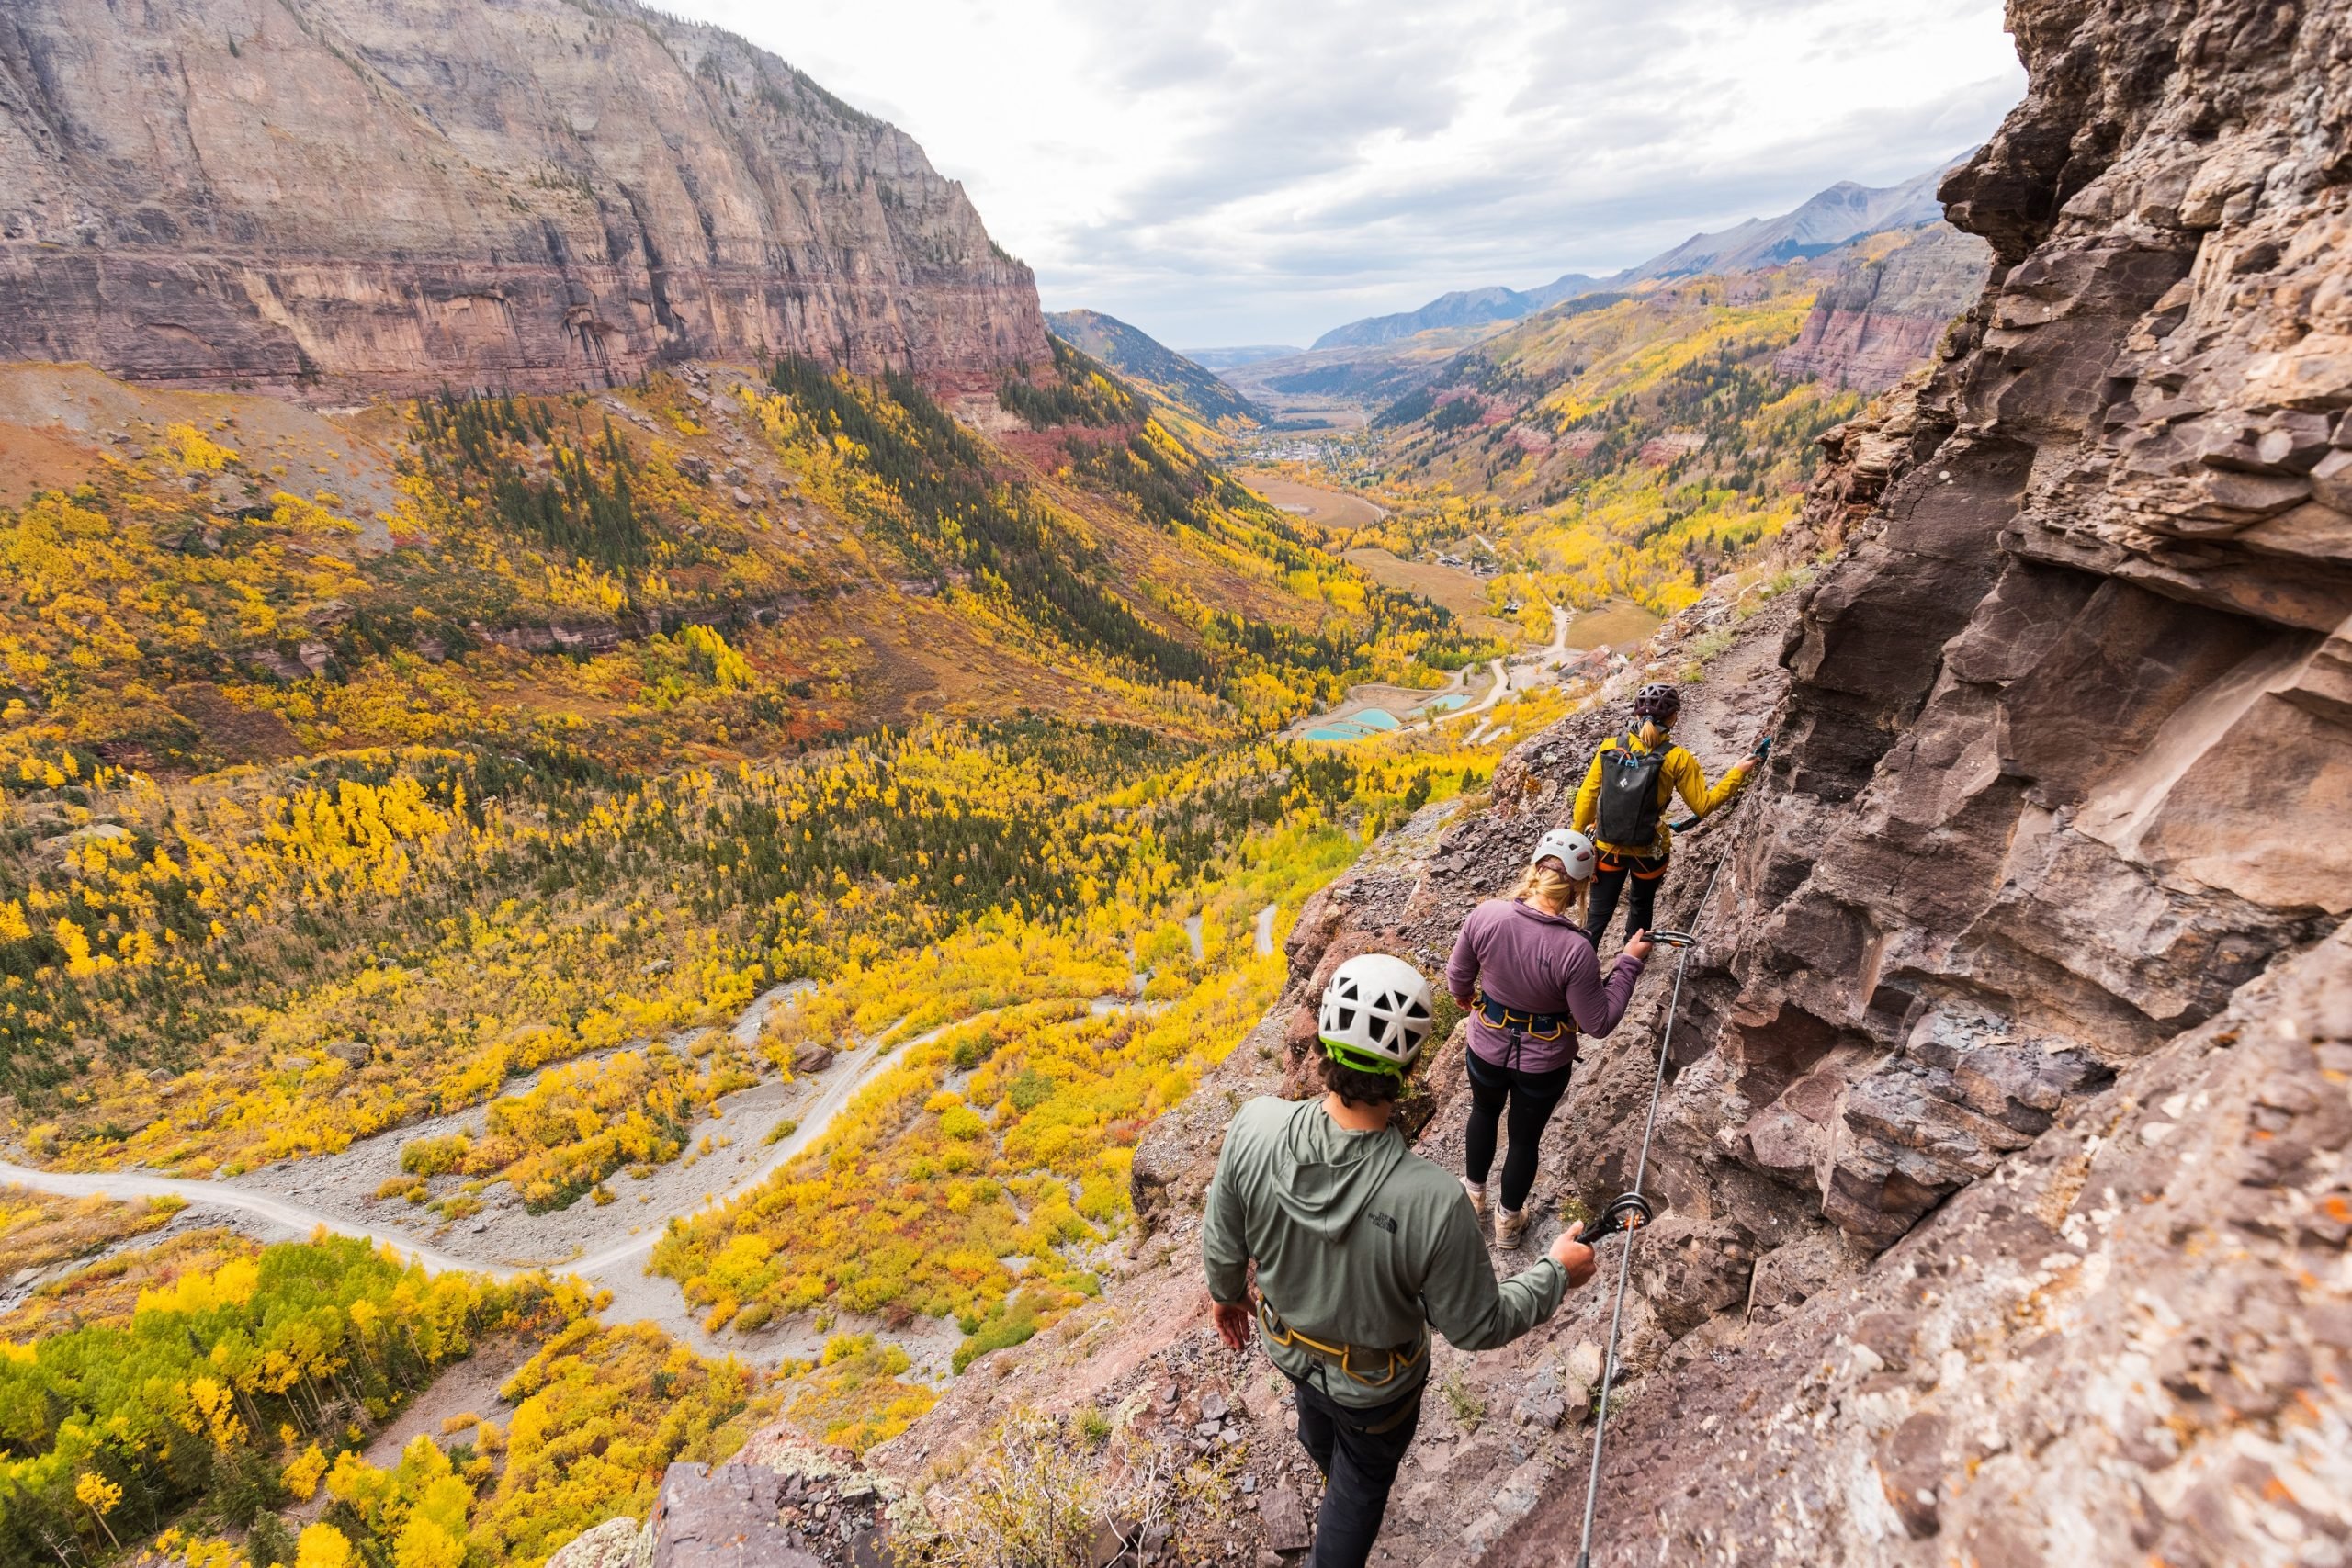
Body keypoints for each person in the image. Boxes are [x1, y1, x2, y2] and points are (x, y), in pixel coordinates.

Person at [1203, 953, 1598, 1568]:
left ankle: (1332, 1469)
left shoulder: (1255, 1125)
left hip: (1288, 1347)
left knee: (1319, 1428)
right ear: (1410, 1069)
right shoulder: (1433, 1202)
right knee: (1359, 1486)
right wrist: (1555, 1273)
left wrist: (1226, 1295)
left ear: (1324, 1045)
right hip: (1376, 1389)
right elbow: (1476, 1325)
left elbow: (1224, 1235)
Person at [1444, 828, 1649, 1247]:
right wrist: (1627, 964)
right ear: (1577, 889)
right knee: (1524, 1138)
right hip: (1543, 1063)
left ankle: (1472, 1199)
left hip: (1486, 1046)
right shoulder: (1575, 949)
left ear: (1536, 870)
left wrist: (1468, 1000)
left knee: (1483, 1113)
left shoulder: (1487, 916)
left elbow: (1457, 980)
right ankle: (1507, 1223)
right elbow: (1598, 1022)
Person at [1573, 682, 1756, 945]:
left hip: (1606, 848)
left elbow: (1587, 797)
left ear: (1636, 714)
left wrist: (1577, 836)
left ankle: (1579, 973)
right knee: (1641, 905)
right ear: (1673, 718)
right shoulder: (1678, 758)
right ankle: (1630, 964)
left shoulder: (1609, 747)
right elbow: (1702, 806)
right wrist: (1738, 772)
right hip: (1650, 851)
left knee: (1597, 917)